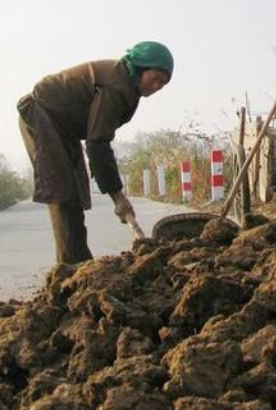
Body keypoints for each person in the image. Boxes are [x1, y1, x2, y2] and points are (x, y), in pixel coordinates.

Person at [17, 41, 173, 264]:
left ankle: (79, 263)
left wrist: (116, 194)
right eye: (155, 77)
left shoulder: (130, 88)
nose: (158, 86)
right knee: (64, 194)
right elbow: (98, 143)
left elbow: (99, 138)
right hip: (42, 117)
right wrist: (118, 197)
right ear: (140, 67)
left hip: (65, 129)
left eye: (163, 83)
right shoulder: (116, 85)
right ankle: (71, 269)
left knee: (76, 193)